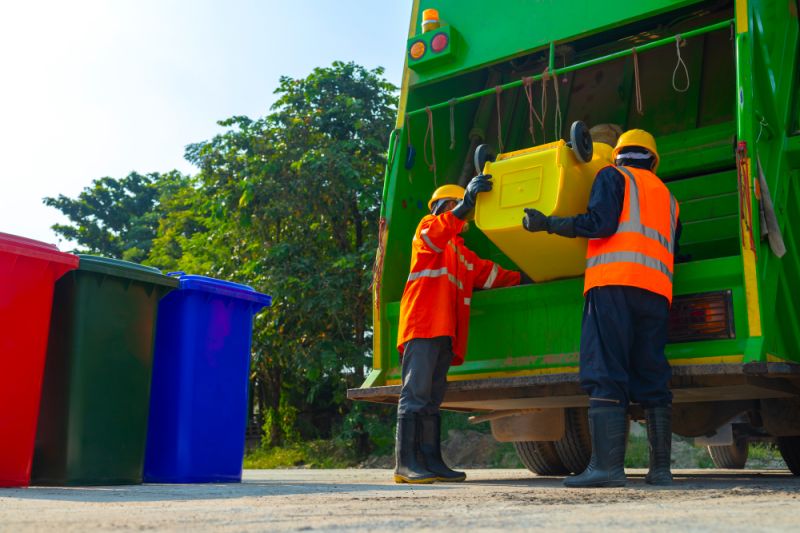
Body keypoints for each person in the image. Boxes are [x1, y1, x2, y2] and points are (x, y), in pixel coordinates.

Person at [521, 129, 680, 487]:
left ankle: (607, 468)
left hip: (612, 284)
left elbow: (600, 224)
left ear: (617, 155)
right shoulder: (668, 197)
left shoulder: (612, 176)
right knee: (652, 373)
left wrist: (549, 224)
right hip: (656, 291)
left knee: (605, 368)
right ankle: (660, 470)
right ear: (653, 160)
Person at [394, 175, 526, 484]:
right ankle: (405, 465)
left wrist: (528, 277)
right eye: (454, 205)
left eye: (461, 206)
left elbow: (492, 275)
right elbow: (435, 235)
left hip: (443, 333)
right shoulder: (428, 228)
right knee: (415, 394)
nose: (459, 212)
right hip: (422, 325)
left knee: (431, 398)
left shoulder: (462, 255)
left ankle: (429, 460)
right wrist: (466, 204)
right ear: (441, 207)